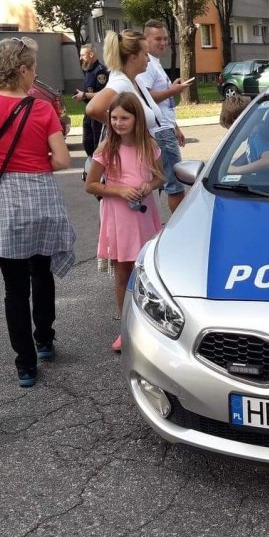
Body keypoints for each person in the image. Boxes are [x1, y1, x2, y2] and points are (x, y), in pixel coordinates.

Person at [0, 37, 75, 388]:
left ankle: (25, 364)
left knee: (14, 287)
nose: (35, 74)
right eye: (34, 68)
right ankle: (45, 340)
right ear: (22, 70)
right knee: (42, 273)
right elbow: (63, 160)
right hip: (41, 199)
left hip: (5, 202)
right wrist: (37, 161)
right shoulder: (42, 109)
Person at [84, 93, 163, 353]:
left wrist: (148, 185)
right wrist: (119, 190)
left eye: (124, 118)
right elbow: (90, 185)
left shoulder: (149, 146)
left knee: (146, 270)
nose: (118, 123)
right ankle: (126, 328)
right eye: (114, 118)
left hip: (143, 215)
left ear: (136, 118)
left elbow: (160, 177)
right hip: (119, 217)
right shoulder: (106, 149)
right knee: (122, 272)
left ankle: (152, 326)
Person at [137, 20, 191, 213]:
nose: (163, 43)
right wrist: (172, 91)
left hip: (165, 128)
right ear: (146, 39)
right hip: (160, 132)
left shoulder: (155, 63)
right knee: (175, 184)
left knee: (163, 182)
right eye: (158, 39)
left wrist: (175, 127)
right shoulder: (148, 64)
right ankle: (180, 226)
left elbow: (160, 104)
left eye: (166, 39)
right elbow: (145, 96)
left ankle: (155, 223)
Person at [74, 44, 109, 157]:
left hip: (98, 113)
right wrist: (82, 96)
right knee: (87, 142)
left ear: (91, 54)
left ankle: (98, 164)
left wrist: (84, 95)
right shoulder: (89, 70)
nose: (80, 58)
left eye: (82, 55)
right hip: (89, 112)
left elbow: (104, 94)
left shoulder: (100, 71)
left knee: (97, 143)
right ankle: (91, 161)